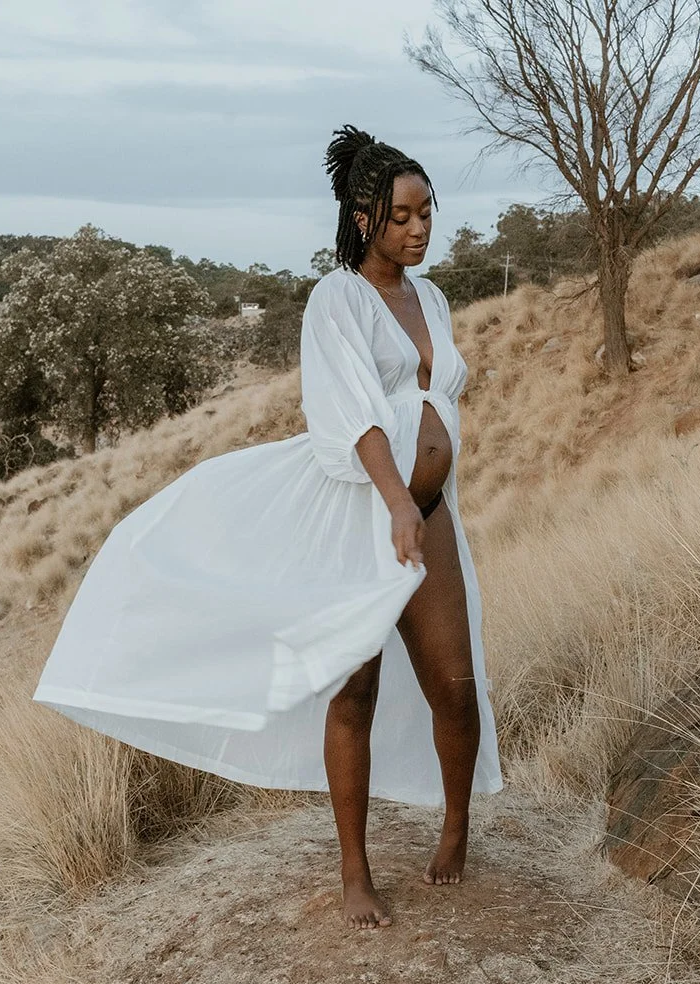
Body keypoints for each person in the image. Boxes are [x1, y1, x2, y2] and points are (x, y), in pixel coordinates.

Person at [32, 125, 503, 930]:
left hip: (429, 513)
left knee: (455, 687)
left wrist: (424, 493)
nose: (420, 228)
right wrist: (395, 498)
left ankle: (456, 826)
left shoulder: (432, 299)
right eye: (402, 216)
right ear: (364, 218)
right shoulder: (336, 300)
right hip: (365, 515)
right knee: (354, 690)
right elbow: (352, 413)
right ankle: (355, 871)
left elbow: (436, 401)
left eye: (428, 211)